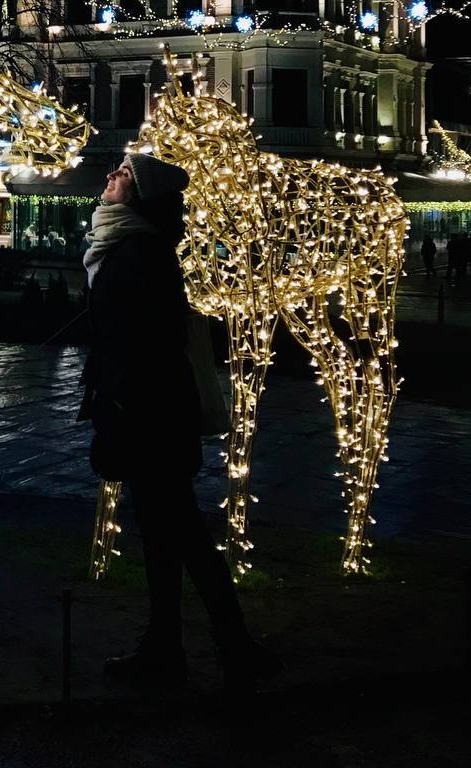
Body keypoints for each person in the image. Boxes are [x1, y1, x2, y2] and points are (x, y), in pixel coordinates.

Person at [81, 153, 279, 691]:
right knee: (170, 535)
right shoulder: (128, 246)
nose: (109, 177)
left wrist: (120, 406)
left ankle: (214, 647)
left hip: (151, 420)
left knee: (181, 534)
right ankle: (181, 645)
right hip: (153, 416)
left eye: (121, 175)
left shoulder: (138, 252)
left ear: (141, 197)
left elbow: (149, 342)